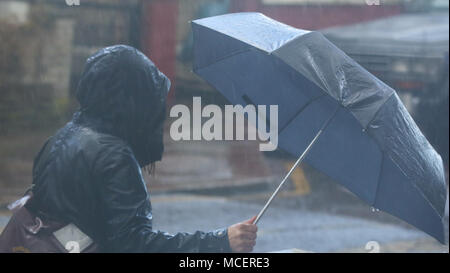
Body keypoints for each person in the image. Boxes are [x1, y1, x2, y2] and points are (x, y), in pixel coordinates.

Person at [25, 45, 257, 253]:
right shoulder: (114, 156)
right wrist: (220, 241)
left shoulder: (60, 138)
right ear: (133, 101)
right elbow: (133, 244)